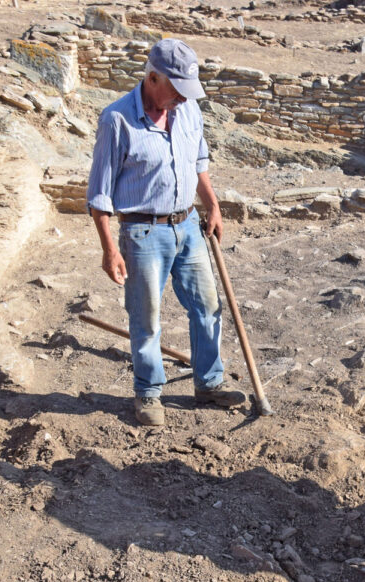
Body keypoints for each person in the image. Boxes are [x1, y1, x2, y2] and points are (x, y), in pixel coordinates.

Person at [87, 38, 245, 427]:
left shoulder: (188, 110)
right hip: (142, 232)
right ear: (152, 77)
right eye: (175, 89)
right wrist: (110, 249)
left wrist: (213, 205)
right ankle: (148, 393)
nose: (181, 99)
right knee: (146, 318)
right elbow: (99, 195)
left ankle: (208, 384)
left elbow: (199, 162)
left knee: (207, 307)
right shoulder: (117, 120)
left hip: (188, 224)